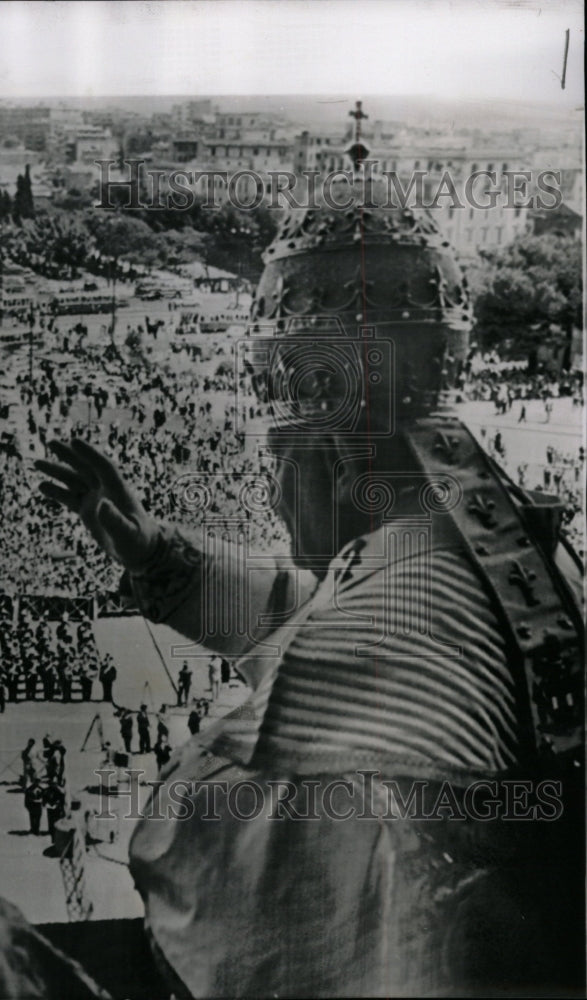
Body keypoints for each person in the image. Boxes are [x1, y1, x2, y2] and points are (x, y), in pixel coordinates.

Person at [36, 171, 584, 998]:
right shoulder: (451, 542)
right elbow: (312, 617)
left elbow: (215, 857)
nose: (269, 490)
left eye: (277, 459)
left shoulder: (397, 601)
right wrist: (157, 555)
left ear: (333, 453)